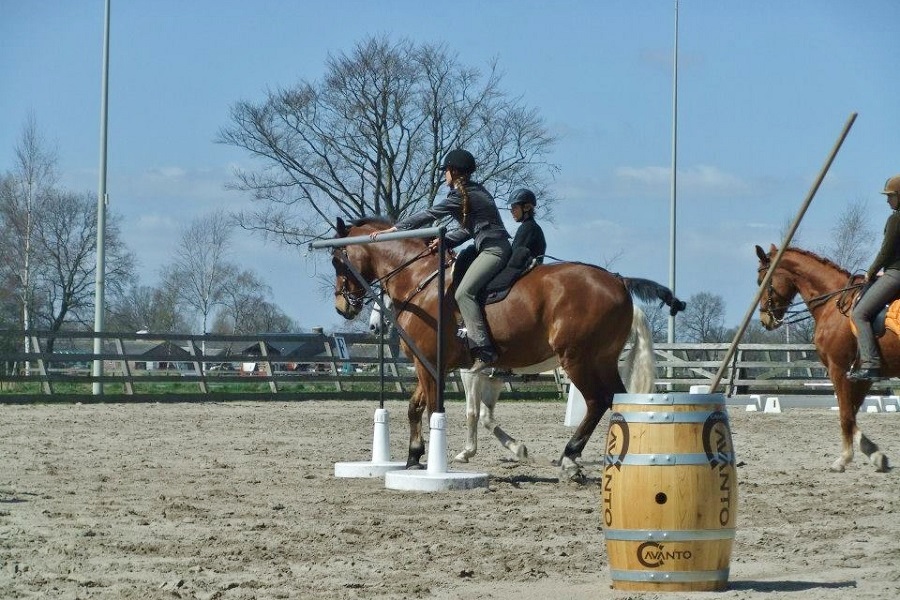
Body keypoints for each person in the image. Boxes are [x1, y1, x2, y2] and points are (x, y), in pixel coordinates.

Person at [370, 149, 511, 371]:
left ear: (453, 172)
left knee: (464, 293)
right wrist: (445, 242)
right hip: (487, 246)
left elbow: (430, 214)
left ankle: (483, 349)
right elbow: (468, 230)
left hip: (493, 250)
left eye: (446, 170)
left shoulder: (462, 196)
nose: (444, 174)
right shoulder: (473, 192)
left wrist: (395, 230)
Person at [848, 174, 900, 382]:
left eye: (890, 196)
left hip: (896, 274)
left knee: (859, 313)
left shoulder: (895, 219)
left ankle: (870, 364)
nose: (887, 200)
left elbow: (886, 251)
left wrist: (872, 271)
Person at [507, 188, 546, 264]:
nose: (511, 211)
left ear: (526, 207)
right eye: (511, 209)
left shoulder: (528, 227)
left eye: (514, 207)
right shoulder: (532, 226)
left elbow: (514, 257)